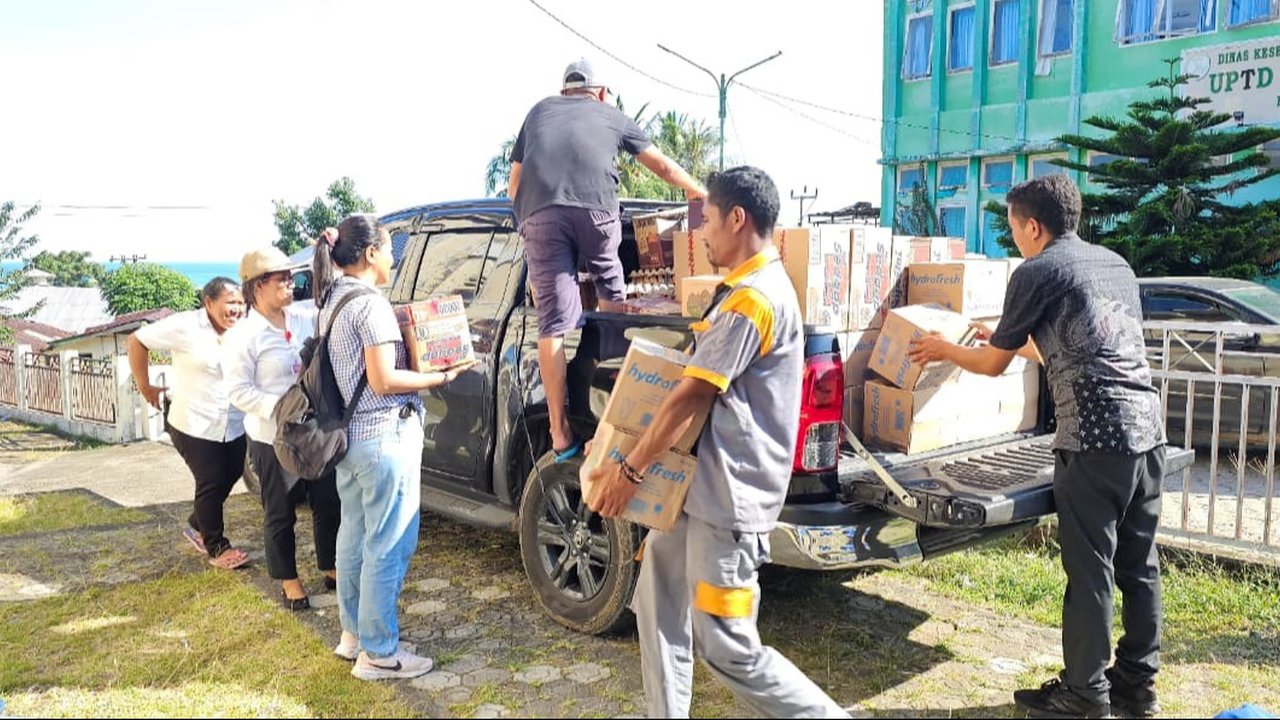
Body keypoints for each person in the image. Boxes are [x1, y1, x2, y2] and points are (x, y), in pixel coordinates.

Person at [586, 167, 849, 719]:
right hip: (696, 497)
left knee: (727, 646)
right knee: (656, 602)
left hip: (728, 506)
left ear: (737, 218)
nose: (701, 233)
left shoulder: (753, 301)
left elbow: (689, 399)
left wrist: (628, 471)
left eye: (707, 220)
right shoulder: (741, 293)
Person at [909, 174, 1166, 720]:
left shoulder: (1036, 270)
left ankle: (1085, 697)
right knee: (1139, 568)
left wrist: (942, 349)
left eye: (1013, 230)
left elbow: (992, 366)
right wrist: (1001, 336)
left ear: (1033, 226)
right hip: (1147, 432)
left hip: (1093, 441)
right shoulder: (1113, 264)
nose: (1014, 241)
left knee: (1091, 572)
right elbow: (1076, 349)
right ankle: (1136, 690)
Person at [508, 57, 708, 462]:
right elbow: (664, 166)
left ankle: (560, 431)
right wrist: (700, 193)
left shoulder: (538, 113)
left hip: (539, 215)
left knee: (552, 324)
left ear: (564, 91)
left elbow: (514, 186)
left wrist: (532, 230)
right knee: (611, 299)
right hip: (597, 211)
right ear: (600, 93)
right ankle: (614, 410)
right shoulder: (610, 114)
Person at [312, 216, 469, 681]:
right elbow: (384, 380)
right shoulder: (371, 306)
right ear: (369, 254)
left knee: (355, 536)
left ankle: (355, 636)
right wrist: (440, 377)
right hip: (383, 436)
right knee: (389, 543)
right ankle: (380, 653)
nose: (394, 256)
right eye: (388, 247)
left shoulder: (331, 300)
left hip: (350, 442)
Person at [227, 247, 339, 611]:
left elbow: (330, 297)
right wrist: (283, 410)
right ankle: (288, 579)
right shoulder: (244, 336)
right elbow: (239, 390)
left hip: (313, 430)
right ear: (258, 286)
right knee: (281, 509)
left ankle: (331, 564)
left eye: (292, 277)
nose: (290, 284)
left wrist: (329, 251)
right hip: (272, 436)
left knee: (327, 500)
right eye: (282, 278)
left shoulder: (303, 317)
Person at [128, 277, 250, 570]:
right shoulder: (186, 326)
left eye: (240, 304)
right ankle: (216, 547)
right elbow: (137, 340)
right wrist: (145, 387)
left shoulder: (244, 329)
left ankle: (198, 525)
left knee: (232, 473)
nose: (236, 309)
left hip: (233, 421)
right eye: (230, 303)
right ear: (209, 302)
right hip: (192, 421)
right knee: (210, 481)